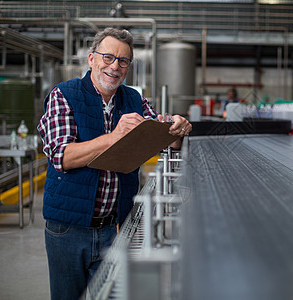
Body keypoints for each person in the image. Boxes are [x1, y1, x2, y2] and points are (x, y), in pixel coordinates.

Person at [37, 27, 192, 300]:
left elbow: (161, 139)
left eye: (123, 61)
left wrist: (177, 131)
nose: (115, 66)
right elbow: (62, 156)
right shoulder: (64, 95)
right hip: (68, 227)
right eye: (108, 57)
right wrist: (114, 137)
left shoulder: (133, 99)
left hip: (115, 226)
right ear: (91, 59)